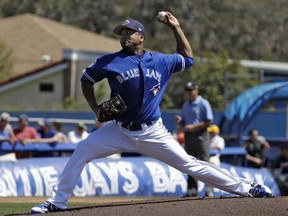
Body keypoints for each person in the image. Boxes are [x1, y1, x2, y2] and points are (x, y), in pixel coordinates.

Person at [31, 12, 272, 214]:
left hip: (153, 131)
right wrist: (95, 109)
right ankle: (57, 201)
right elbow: (86, 80)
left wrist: (176, 27)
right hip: (119, 130)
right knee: (82, 150)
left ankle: (247, 188)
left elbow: (188, 59)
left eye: (128, 32)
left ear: (141, 37)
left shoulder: (160, 61)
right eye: (121, 33)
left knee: (190, 164)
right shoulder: (110, 61)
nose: (124, 36)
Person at [175, 81, 213, 197]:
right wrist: (180, 121)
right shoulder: (186, 105)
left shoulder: (203, 103)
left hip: (201, 134)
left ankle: (209, 190)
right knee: (189, 162)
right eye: (187, 91)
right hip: (189, 136)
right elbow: (184, 124)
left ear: (197, 90)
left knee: (205, 162)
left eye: (191, 90)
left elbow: (209, 121)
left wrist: (194, 127)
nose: (189, 93)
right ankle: (192, 191)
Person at [206, 124, 225, 196]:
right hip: (207, 158)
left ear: (215, 132)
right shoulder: (207, 138)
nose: (210, 133)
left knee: (214, 175)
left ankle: (211, 191)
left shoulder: (219, 139)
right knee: (207, 175)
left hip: (215, 158)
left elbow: (219, 147)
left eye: (211, 132)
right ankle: (208, 191)